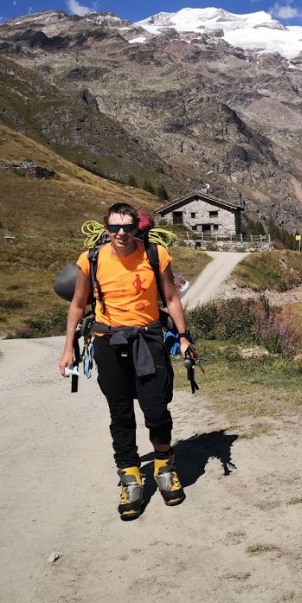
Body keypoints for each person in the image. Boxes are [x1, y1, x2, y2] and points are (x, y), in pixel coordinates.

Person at [59, 202, 193, 520]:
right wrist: (68, 349)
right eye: (115, 227)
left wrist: (184, 337)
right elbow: (77, 304)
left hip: (148, 339)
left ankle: (164, 466)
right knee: (120, 413)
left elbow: (171, 297)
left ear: (136, 228)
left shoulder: (155, 254)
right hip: (108, 342)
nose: (121, 233)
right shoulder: (91, 259)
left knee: (156, 409)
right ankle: (130, 477)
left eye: (128, 227)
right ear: (106, 228)